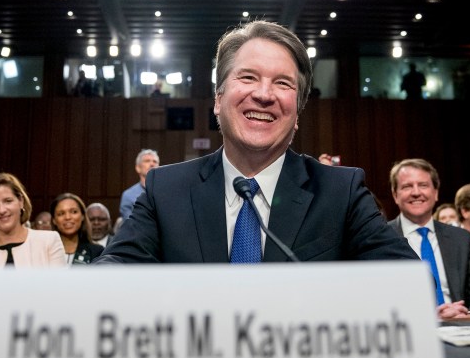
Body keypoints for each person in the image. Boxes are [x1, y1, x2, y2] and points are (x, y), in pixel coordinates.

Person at [94, 20, 418, 264]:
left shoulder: (340, 192)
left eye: (282, 83)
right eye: (248, 77)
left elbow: (406, 279)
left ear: (298, 110)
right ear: (218, 99)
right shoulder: (165, 190)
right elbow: (110, 275)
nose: (264, 95)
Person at [388, 158, 470, 319]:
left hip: (462, 329)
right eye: (407, 186)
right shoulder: (381, 238)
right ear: (395, 195)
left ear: (436, 192)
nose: (416, 192)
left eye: (423, 185)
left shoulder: (461, 239)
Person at [0, 172, 65, 268]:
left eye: (8, 201)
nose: (2, 210)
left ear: (21, 201)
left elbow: (59, 283)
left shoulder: (49, 241)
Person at [49, 193, 103, 265]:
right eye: (61, 213)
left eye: (74, 212)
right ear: (54, 220)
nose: (67, 217)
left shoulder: (97, 252)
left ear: (83, 216)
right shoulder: (45, 251)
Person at [119, 149, 160, 220]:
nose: (152, 164)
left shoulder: (166, 192)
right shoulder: (128, 195)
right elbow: (129, 222)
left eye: (155, 161)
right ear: (138, 168)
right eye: (147, 161)